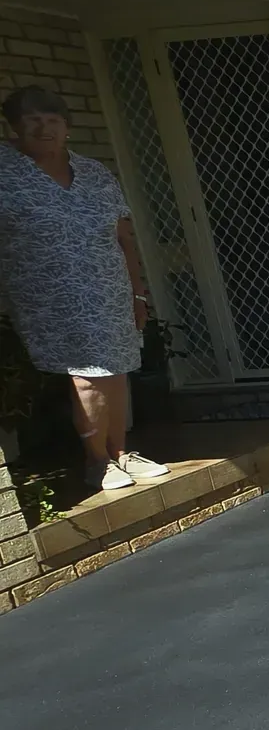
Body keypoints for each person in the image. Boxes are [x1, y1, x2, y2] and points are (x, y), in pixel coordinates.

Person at [0, 85, 169, 492]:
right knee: (90, 375)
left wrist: (138, 291)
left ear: (67, 129)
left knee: (116, 371)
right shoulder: (6, 173)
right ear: (14, 130)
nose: (45, 129)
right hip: (51, 295)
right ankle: (99, 462)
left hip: (109, 288)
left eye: (53, 121)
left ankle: (121, 453)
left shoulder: (93, 173)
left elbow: (123, 235)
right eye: (33, 122)